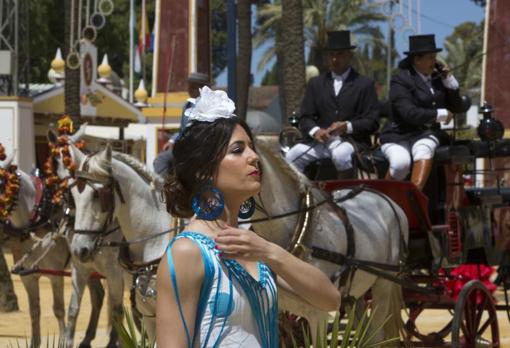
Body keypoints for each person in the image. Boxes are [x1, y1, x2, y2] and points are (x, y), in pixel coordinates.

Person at [156, 87, 341, 347]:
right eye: (237, 150)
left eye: (251, 148)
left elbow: (330, 299)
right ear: (203, 170)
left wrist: (270, 251)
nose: (254, 157)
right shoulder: (188, 252)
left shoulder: (254, 247)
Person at [285, 30, 379, 178]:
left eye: (340, 54)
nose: (335, 59)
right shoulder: (316, 84)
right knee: (292, 156)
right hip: (321, 143)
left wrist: (346, 127)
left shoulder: (364, 84)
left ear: (350, 55)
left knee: (340, 155)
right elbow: (305, 117)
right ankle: (303, 197)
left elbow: (372, 122)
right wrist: (316, 131)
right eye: (331, 54)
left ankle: (344, 196)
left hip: (351, 142)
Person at [380, 34, 465, 190]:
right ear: (417, 60)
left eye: (435, 57)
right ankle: (385, 197)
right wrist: (440, 114)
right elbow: (409, 113)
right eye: (430, 57)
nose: (435, 62)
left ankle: (414, 198)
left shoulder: (438, 79)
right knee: (400, 163)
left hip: (426, 134)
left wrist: (448, 80)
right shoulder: (400, 81)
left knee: (424, 149)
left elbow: (457, 107)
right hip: (400, 135)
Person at [152, 72, 210, 176]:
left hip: (200, 147)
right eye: (189, 86)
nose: (189, 89)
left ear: (201, 88)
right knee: (161, 159)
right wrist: (172, 140)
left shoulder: (209, 105)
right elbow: (182, 130)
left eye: (192, 86)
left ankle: (162, 187)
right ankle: (165, 187)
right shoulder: (187, 106)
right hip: (185, 146)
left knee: (162, 160)